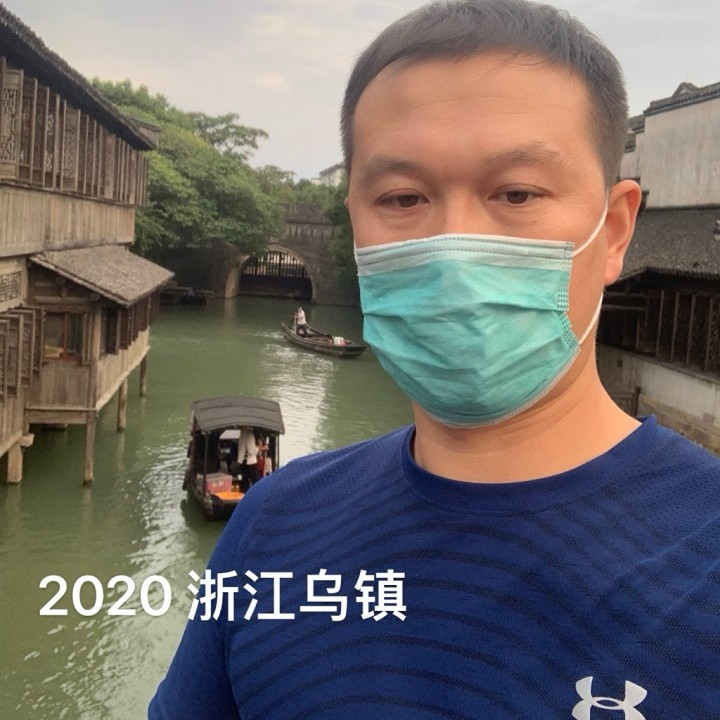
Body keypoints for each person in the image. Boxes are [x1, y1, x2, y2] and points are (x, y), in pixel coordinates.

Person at [149, 2, 720, 718]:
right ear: (356, 225)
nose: (453, 249)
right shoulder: (270, 526)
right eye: (403, 197)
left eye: (517, 192)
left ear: (613, 231)